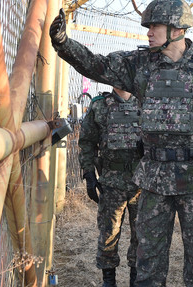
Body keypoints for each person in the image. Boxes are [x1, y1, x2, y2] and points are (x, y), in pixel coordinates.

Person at [50, 0, 193, 287]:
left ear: (177, 28)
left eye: (154, 26)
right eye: (148, 26)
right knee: (148, 265)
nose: (148, 32)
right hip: (154, 179)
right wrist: (62, 42)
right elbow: (96, 66)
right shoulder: (139, 64)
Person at [79, 86, 142, 287]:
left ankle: (136, 278)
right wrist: (89, 174)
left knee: (141, 234)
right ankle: (109, 281)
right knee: (108, 233)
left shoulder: (145, 103)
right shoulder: (99, 106)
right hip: (111, 183)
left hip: (141, 182)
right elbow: (87, 142)